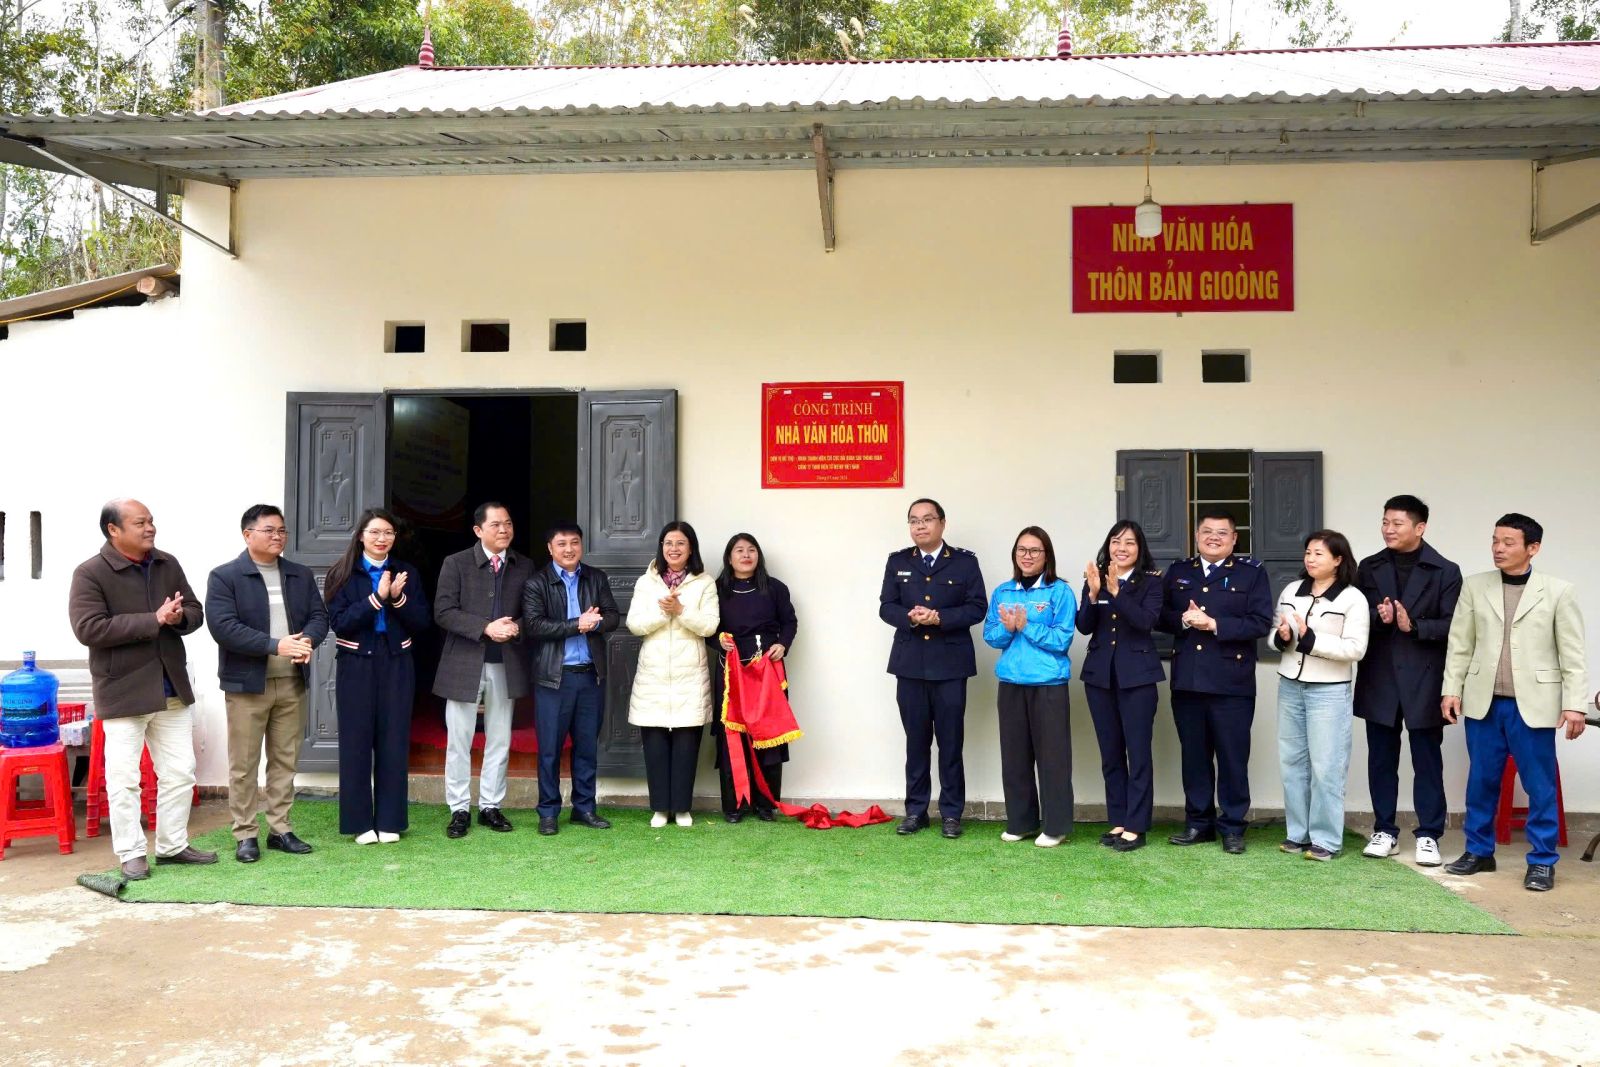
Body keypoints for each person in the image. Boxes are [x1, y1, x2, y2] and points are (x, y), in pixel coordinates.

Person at [68, 499, 214, 881]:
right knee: (124, 779)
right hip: (123, 690)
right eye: (140, 523)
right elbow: (89, 628)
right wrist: (153, 620)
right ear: (113, 529)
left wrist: (179, 617)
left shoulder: (167, 564)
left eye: (151, 521)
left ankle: (172, 845)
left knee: (180, 772)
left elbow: (195, 611)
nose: (150, 528)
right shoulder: (90, 573)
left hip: (170, 687)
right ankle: (131, 853)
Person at [1442, 513, 1588, 892]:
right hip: (1484, 702)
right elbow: (1460, 644)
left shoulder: (1558, 591)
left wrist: (1575, 704)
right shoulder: (1475, 586)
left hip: (1534, 704)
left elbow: (1572, 654)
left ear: (1532, 548)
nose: (1498, 548)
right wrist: (1451, 689)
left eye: (1508, 542)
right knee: (1481, 781)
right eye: (1495, 540)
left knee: (1539, 785)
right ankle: (1478, 851)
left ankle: (1541, 861)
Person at [205, 504, 330, 863]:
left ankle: (281, 829)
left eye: (282, 531)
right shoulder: (225, 576)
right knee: (244, 764)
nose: (278, 536)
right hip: (247, 686)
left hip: (291, 682)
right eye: (269, 530)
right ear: (248, 535)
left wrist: (307, 641)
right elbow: (223, 627)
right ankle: (245, 833)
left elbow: (319, 616)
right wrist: (275, 645)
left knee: (285, 760)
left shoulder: (299, 574)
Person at [1353, 494, 1461, 867]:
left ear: (1420, 527)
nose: (1388, 529)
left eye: (1397, 523)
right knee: (1381, 759)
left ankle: (1429, 834)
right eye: (1385, 522)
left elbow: (1454, 626)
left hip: (1425, 680)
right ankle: (1384, 830)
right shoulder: (1369, 567)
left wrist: (1413, 625)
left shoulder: (1445, 571)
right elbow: (1355, 615)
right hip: (1380, 677)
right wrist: (1378, 616)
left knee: (1427, 761)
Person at [1158, 509, 1273, 854]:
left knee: (1233, 758)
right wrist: (1183, 620)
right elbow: (1159, 615)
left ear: (1234, 539)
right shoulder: (1179, 572)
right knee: (1194, 757)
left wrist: (1214, 624)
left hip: (1231, 683)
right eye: (1207, 531)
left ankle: (1233, 827)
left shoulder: (1251, 573)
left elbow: (1260, 622)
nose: (1213, 537)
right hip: (1188, 680)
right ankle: (1199, 823)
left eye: (1222, 533)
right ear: (1196, 536)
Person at [879, 497, 987, 839]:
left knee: (951, 743)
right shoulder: (898, 561)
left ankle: (951, 814)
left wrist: (940, 617)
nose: (920, 526)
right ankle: (916, 811)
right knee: (916, 742)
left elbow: (977, 608)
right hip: (910, 665)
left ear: (942, 523)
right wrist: (909, 617)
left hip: (951, 666)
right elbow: (886, 606)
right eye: (914, 520)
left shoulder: (964, 563)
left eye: (927, 519)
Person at [324, 508, 430, 844]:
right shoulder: (343, 573)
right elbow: (340, 623)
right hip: (356, 663)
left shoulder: (406, 572)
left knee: (394, 740)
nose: (381, 539)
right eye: (374, 532)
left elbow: (421, 621)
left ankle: (390, 820)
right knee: (356, 742)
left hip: (396, 661)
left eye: (388, 533)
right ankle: (359, 823)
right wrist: (376, 599)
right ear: (361, 536)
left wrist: (397, 598)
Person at [432, 502, 535, 839]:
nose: (504, 530)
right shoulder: (456, 563)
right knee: (459, 739)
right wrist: (486, 627)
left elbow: (534, 613)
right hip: (464, 662)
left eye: (508, 523)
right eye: (496, 525)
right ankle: (459, 808)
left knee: (500, 738)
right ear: (478, 530)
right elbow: (443, 611)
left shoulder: (524, 565)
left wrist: (516, 628)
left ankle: (491, 805)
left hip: (507, 662)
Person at [1272, 530, 1370, 861]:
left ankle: (1326, 840)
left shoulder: (1353, 599)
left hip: (1328, 691)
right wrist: (1283, 636)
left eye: (1319, 554)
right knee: (1292, 762)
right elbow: (1275, 635)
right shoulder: (1291, 591)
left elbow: (1355, 648)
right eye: (1308, 553)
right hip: (1290, 685)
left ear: (1338, 559)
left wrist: (1310, 639)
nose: (1311, 559)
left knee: (1327, 766)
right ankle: (1297, 834)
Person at [521, 521, 621, 835]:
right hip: (554, 678)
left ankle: (584, 808)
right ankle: (548, 812)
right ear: (550, 548)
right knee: (550, 749)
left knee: (587, 746)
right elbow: (534, 626)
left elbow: (613, 616)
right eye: (561, 544)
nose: (569, 549)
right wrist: (578, 623)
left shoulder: (596, 577)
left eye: (574, 542)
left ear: (581, 545)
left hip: (590, 676)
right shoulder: (536, 583)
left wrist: (597, 623)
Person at [982, 527, 1076, 847]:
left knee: (1053, 759)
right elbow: (991, 636)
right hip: (1011, 684)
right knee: (1015, 757)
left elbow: (1062, 639)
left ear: (1046, 556)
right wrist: (1009, 629)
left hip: (1048, 685)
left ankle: (1055, 826)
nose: (1027, 556)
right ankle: (1021, 822)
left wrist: (1026, 626)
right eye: (1021, 550)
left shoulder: (1059, 592)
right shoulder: (1003, 592)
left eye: (1035, 550)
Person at [1076, 520, 1165, 853]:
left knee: (1138, 754)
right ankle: (1118, 819)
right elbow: (1084, 626)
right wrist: (1093, 593)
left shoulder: (1151, 582)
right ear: (1108, 546)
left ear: (1139, 549)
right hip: (1100, 678)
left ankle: (1136, 825)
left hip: (1138, 678)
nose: (1121, 548)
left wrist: (1117, 593)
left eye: (1129, 542)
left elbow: (1146, 621)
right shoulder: (1095, 578)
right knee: (1111, 753)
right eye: (1116, 541)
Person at [627, 521, 720, 828]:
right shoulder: (647, 582)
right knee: (654, 745)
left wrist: (681, 610)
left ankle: (681, 808)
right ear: (661, 547)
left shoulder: (704, 583)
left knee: (686, 746)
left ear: (691, 548)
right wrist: (662, 612)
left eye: (681, 543)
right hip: (652, 674)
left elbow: (710, 626)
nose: (674, 549)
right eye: (668, 543)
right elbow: (634, 624)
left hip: (689, 674)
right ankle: (659, 808)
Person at [710, 533, 798, 823]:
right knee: (732, 736)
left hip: (768, 669)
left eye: (751, 550)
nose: (746, 555)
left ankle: (765, 804)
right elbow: (706, 627)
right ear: (729, 557)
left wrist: (783, 644)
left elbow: (789, 622)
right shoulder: (715, 589)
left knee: (768, 733)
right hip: (731, 669)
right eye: (739, 550)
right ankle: (735, 805)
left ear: (758, 555)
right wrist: (717, 640)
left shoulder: (775, 588)